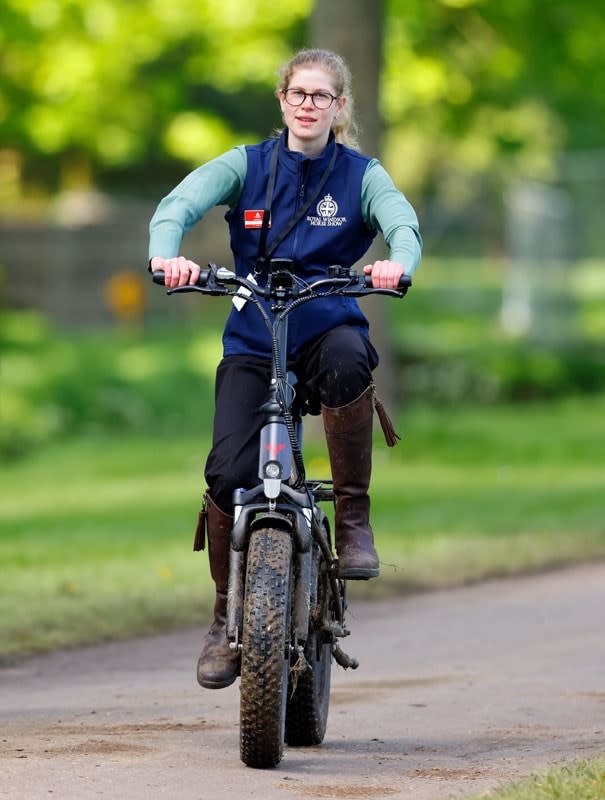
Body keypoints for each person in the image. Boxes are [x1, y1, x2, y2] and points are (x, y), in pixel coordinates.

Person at [148, 48, 422, 690]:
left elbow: (402, 224)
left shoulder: (361, 174)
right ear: (282, 100)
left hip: (326, 322)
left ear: (339, 106)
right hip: (255, 330)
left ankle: (353, 518)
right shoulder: (246, 165)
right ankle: (224, 613)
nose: (307, 104)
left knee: (353, 358)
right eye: (297, 93)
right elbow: (176, 206)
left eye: (321, 96)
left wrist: (394, 264)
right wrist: (170, 258)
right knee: (226, 471)